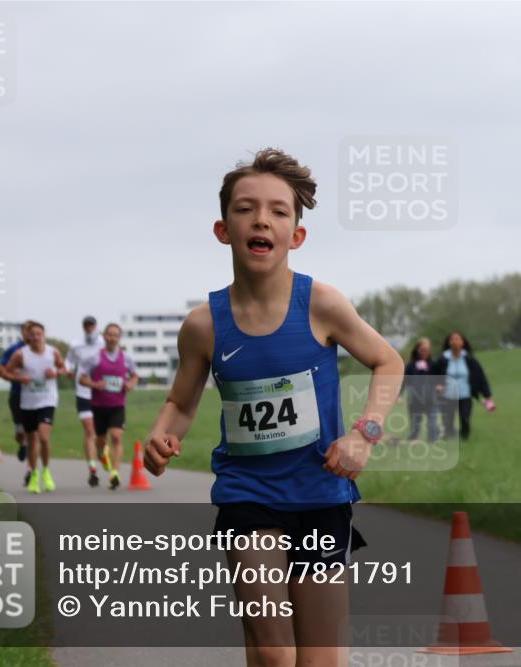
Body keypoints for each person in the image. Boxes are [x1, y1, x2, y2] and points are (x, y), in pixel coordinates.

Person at [144, 148, 403, 666]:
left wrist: (363, 434)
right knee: (273, 651)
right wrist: (161, 432)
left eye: (278, 211)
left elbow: (388, 362)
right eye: (246, 208)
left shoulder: (322, 304)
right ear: (223, 230)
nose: (261, 219)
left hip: (320, 494)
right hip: (249, 495)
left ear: (296, 235)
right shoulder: (203, 325)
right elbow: (180, 401)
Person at [5, 321, 68, 494]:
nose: (35, 337)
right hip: (28, 402)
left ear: (43, 335)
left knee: (43, 437)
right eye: (32, 334)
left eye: (38, 334)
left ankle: (46, 471)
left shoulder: (52, 352)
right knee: (32, 440)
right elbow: (7, 371)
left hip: (48, 400)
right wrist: (19, 378)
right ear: (28, 336)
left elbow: (64, 369)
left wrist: (56, 373)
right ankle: (34, 475)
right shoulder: (20, 354)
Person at [79, 323, 139, 490]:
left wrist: (131, 384)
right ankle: (101, 454)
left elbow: (135, 375)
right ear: (104, 336)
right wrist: (94, 384)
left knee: (117, 437)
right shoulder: (94, 358)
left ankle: (115, 473)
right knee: (100, 442)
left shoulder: (126, 358)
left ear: (119, 338)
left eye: (116, 335)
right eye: (110, 334)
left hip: (117, 405)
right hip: (98, 406)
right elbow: (81, 378)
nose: (112, 338)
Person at [431, 331, 495, 440]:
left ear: (462, 342)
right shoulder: (442, 359)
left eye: (458, 339)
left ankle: (464, 436)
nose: (455, 341)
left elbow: (480, 377)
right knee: (448, 419)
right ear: (449, 342)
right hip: (448, 395)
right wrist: (437, 384)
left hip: (465, 394)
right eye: (452, 339)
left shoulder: (469, 359)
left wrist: (487, 395)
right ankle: (449, 434)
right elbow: (433, 374)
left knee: (465, 417)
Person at [66, 315, 105, 487]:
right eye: (86, 325)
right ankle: (92, 469)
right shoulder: (76, 344)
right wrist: (68, 369)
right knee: (89, 430)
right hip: (83, 391)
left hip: (101, 392)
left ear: (95, 326)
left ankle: (101, 452)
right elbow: (69, 361)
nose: (89, 328)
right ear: (83, 327)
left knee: (101, 434)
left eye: (92, 325)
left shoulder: (104, 342)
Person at [0, 321, 33, 483]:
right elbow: (1, 369)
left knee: (34, 434)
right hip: (17, 395)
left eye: (32, 330)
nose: (29, 333)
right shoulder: (14, 350)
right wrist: (15, 376)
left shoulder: (43, 350)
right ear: (22, 332)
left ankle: (30, 470)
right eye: (26, 330)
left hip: (37, 397)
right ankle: (22, 444)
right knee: (20, 432)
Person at [402, 337, 440, 442]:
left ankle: (432, 442)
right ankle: (413, 439)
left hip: (430, 398)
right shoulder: (410, 365)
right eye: (422, 349)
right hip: (415, 399)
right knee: (415, 426)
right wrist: (399, 395)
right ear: (417, 349)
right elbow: (404, 381)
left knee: (432, 423)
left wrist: (440, 385)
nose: (424, 352)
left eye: (426, 350)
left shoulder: (434, 364)